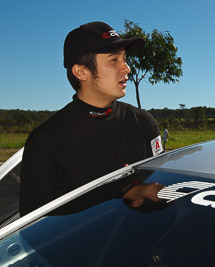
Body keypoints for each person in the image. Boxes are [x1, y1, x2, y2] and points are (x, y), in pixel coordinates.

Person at [19, 21, 163, 216]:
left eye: (125, 58)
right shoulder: (45, 139)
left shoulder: (143, 123)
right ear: (81, 72)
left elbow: (159, 186)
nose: (127, 68)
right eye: (114, 60)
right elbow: (32, 224)